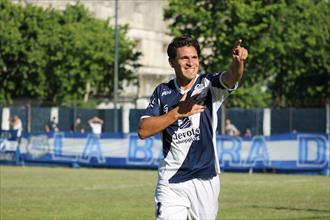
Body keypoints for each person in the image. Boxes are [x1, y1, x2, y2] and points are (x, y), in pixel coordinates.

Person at [138, 35, 248, 219]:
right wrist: (177, 113)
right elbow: (143, 130)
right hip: (171, 180)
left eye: (194, 57)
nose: (191, 63)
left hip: (205, 179)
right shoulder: (162, 91)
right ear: (172, 62)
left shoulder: (208, 85)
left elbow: (231, 76)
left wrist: (238, 62)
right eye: (184, 58)